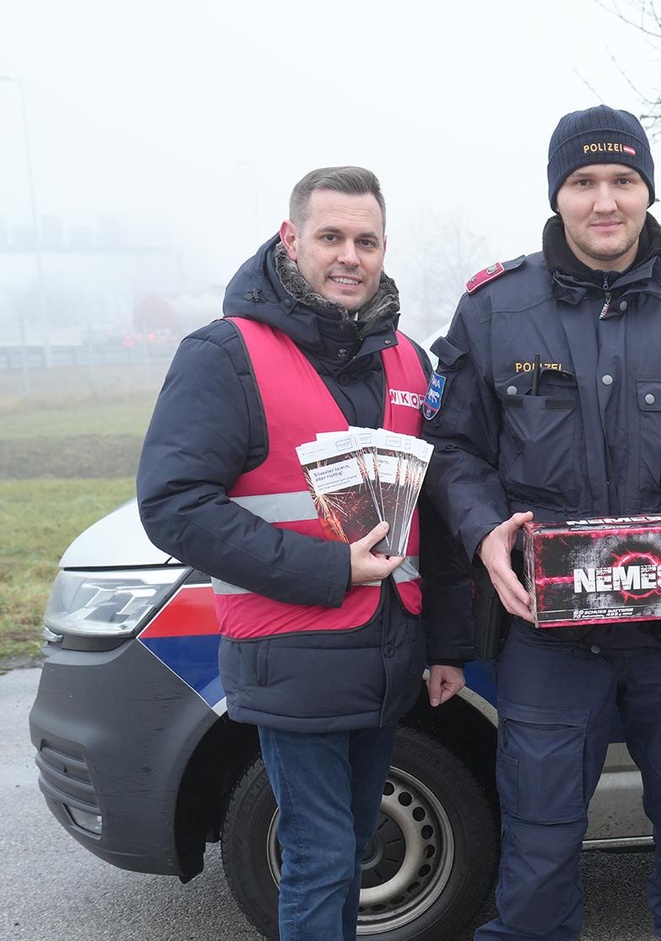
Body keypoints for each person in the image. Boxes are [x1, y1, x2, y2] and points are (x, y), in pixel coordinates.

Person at [420, 106, 661, 941]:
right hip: (550, 638)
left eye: (622, 180)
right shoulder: (494, 310)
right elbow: (451, 448)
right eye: (583, 182)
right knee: (541, 847)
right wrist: (482, 530)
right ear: (557, 195)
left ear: (647, 190)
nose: (604, 201)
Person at [136, 167, 470, 941]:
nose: (349, 256)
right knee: (322, 858)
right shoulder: (226, 355)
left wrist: (447, 644)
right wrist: (326, 569)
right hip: (293, 659)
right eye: (330, 237)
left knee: (348, 850)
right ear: (291, 240)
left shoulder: (410, 363)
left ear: (385, 249)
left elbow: (434, 517)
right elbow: (174, 505)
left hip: (388, 660)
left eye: (366, 240)